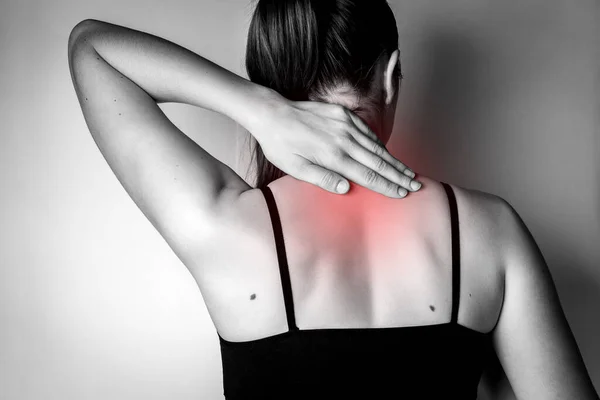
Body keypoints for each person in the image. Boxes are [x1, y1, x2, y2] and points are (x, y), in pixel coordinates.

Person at [67, 1, 599, 399]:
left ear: (268, 84)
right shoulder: (491, 231)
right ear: (391, 76)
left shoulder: (229, 228)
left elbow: (92, 48)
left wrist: (256, 109)